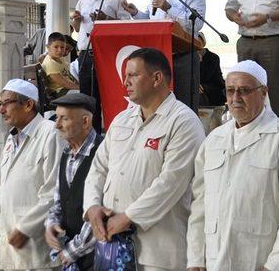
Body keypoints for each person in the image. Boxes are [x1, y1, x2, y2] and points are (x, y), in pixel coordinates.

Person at [83, 48, 205, 271]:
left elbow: (171, 183)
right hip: (112, 244)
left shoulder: (183, 121)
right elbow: (99, 168)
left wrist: (128, 217)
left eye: (133, 75)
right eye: (125, 75)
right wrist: (92, 206)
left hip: (157, 251)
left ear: (157, 78)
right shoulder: (122, 119)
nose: (125, 82)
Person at [187, 60, 279, 271]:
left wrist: (276, 265)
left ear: (263, 92)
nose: (235, 98)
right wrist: (195, 259)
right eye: (230, 90)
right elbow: (199, 205)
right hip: (215, 260)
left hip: (260, 260)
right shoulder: (214, 140)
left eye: (244, 90)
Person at [0, 79, 63, 271]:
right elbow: (0, 186)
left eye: (7, 103)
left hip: (36, 240)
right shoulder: (11, 138)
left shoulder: (50, 134)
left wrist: (26, 228)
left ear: (28, 104)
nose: (1, 110)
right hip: (9, 239)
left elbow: (54, 190)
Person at [123, 0, 207, 112]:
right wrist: (135, 13)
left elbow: (196, 25)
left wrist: (169, 8)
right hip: (158, 58)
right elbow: (150, 21)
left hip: (182, 57)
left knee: (184, 104)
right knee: (158, 103)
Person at [45, 93, 103, 271]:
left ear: (85, 122)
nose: (57, 125)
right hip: (73, 257)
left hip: (97, 257)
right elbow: (59, 200)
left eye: (64, 119)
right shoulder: (66, 154)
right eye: (56, 118)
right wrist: (51, 224)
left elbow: (101, 212)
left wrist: (71, 251)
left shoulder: (103, 153)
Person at [72, 0, 131, 132]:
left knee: (105, 96)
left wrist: (107, 19)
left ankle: (109, 134)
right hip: (85, 53)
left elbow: (126, 26)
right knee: (86, 98)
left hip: (106, 54)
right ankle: (89, 134)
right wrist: (76, 20)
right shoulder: (83, 0)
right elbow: (77, 29)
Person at [42, 32, 79, 99]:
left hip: (67, 90)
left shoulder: (60, 59)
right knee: (84, 94)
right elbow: (64, 83)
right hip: (59, 93)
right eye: (56, 47)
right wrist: (81, 88)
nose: (60, 50)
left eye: (62, 47)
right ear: (48, 47)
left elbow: (69, 76)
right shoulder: (50, 63)